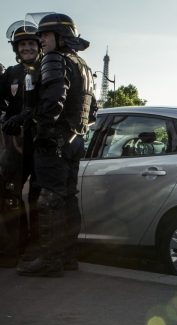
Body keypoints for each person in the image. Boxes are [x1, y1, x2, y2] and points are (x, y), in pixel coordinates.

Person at [16, 13, 96, 277]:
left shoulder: (55, 59)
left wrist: (43, 130)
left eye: (45, 35)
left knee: (49, 201)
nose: (41, 40)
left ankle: (49, 261)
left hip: (54, 142)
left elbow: (53, 99)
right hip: (76, 141)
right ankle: (67, 258)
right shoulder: (82, 63)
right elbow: (92, 110)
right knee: (67, 199)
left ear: (61, 37)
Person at [0, 21, 43, 264]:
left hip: (39, 143)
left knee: (37, 197)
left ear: (38, 46)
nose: (26, 48)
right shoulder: (11, 73)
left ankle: (35, 249)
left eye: (31, 43)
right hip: (15, 146)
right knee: (11, 197)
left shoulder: (48, 69)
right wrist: (5, 118)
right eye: (22, 44)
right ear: (16, 49)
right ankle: (14, 248)